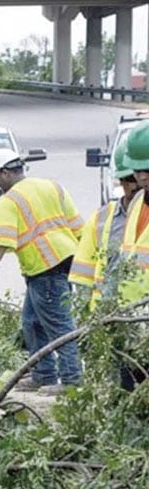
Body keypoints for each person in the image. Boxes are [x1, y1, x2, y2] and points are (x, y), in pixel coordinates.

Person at [0, 148, 85, 392]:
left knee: (59, 325)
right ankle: (43, 374)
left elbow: (0, 242)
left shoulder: (10, 200)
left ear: (4, 173)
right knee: (32, 323)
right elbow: (79, 228)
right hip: (64, 261)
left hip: (45, 267)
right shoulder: (52, 186)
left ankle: (72, 380)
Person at [69, 140, 142, 310]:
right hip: (107, 316)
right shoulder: (100, 219)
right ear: (120, 181)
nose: (136, 184)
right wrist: (85, 317)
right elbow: (83, 275)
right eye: (130, 179)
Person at [113, 120, 149, 390]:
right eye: (137, 171)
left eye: (146, 170)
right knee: (129, 390)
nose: (141, 177)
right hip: (132, 316)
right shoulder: (136, 202)